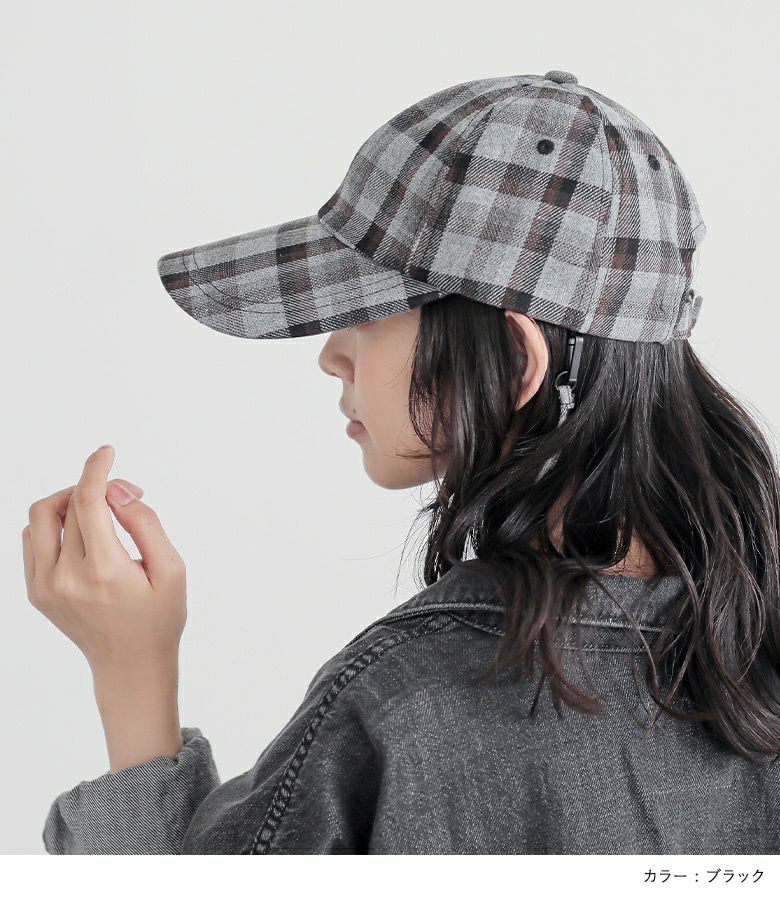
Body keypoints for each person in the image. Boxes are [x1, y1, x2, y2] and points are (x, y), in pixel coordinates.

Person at [25, 71, 780, 854]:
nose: (331, 355)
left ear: (514, 361)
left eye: (367, 312)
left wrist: (132, 670)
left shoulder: (407, 703)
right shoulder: (752, 646)